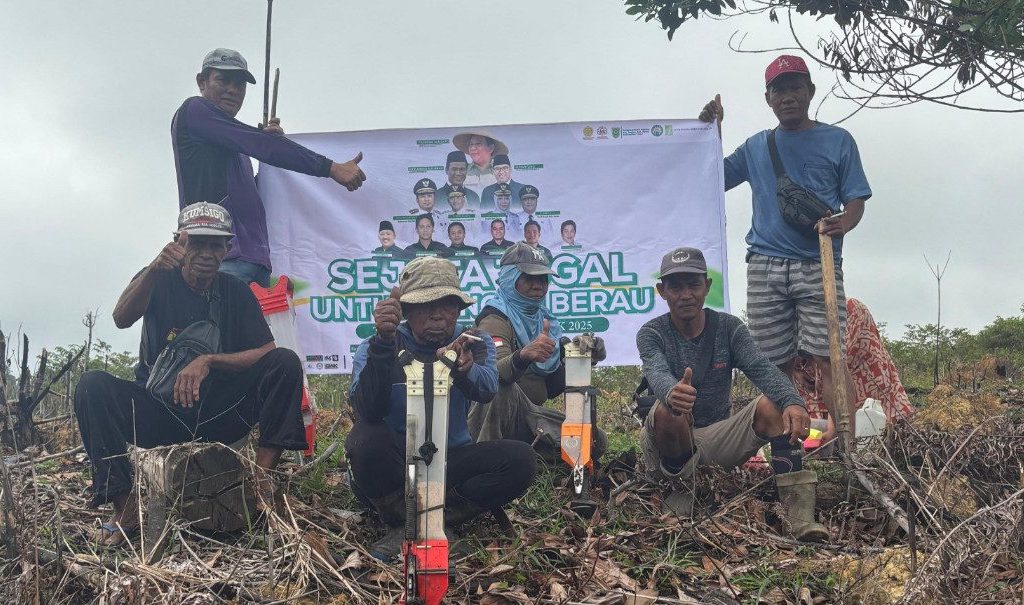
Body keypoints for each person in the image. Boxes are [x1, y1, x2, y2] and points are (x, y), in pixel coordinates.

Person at [74, 203, 307, 546]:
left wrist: (209, 360)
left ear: (227, 249)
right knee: (92, 386)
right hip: (159, 411)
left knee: (286, 362)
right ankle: (124, 508)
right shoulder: (156, 278)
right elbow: (121, 317)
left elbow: (266, 352)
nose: (206, 254)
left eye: (215, 245)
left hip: (218, 412)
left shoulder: (235, 291)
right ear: (179, 244)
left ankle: (260, 481)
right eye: (196, 243)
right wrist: (153, 269)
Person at [698, 54, 872, 435]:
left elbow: (856, 197)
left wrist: (847, 221)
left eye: (795, 87)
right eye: (779, 89)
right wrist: (710, 132)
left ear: (810, 91)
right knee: (772, 362)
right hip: (765, 265)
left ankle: (845, 444)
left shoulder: (838, 140)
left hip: (818, 262)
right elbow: (712, 177)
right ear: (768, 98)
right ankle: (784, 447)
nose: (788, 96)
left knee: (830, 359)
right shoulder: (757, 146)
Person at [345, 256, 536, 561]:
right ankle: (403, 520)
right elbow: (366, 409)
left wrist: (464, 371)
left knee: (521, 459)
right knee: (365, 437)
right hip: (395, 466)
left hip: (448, 462)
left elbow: (488, 388)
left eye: (447, 306)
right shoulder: (378, 344)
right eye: (424, 307)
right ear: (405, 311)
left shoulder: (474, 341)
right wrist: (384, 343)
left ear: (459, 309)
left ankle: (438, 521)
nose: (436, 316)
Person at [637, 247, 827, 541]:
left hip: (715, 437)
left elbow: (761, 367)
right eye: (675, 286)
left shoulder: (728, 328)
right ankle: (681, 493)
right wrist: (671, 392)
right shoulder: (651, 332)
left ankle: (798, 517)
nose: (685, 294)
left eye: (693, 284)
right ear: (662, 291)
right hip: (664, 445)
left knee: (773, 405)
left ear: (707, 287)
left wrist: (792, 401)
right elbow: (656, 370)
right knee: (669, 411)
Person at [172, 48, 367, 286]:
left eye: (240, 84)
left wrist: (272, 148)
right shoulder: (195, 111)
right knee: (216, 323)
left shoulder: (237, 146)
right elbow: (261, 145)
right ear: (201, 82)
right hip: (219, 258)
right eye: (223, 80)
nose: (233, 90)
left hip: (256, 262)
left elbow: (258, 170)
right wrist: (331, 167)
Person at [468, 243, 608, 462]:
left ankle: (529, 460)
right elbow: (492, 375)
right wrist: (522, 356)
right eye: (529, 279)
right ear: (509, 279)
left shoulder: (544, 319)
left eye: (543, 279)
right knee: (500, 388)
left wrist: (584, 359)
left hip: (530, 419)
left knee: (596, 441)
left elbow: (550, 387)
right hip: (498, 421)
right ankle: (486, 462)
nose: (538, 286)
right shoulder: (495, 319)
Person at [793, 298, 914, 440]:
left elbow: (836, 371)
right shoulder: (790, 324)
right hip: (821, 419)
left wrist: (836, 431)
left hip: (874, 410)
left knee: (870, 442)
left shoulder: (849, 310)